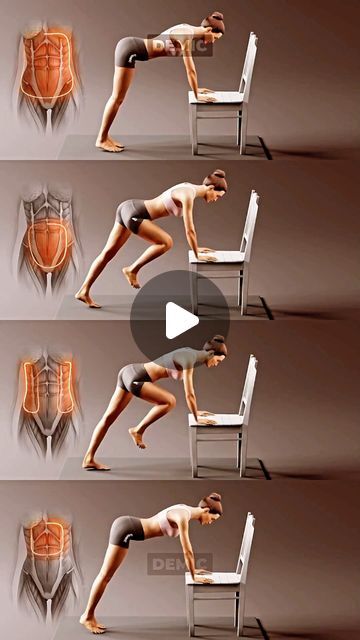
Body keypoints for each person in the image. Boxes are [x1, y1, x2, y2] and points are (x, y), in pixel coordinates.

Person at [75, 169, 227, 307]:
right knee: (166, 242)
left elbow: (190, 232)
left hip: (128, 207)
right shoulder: (188, 195)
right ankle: (132, 269)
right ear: (212, 188)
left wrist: (196, 248)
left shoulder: (189, 187)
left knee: (107, 254)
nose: (216, 199)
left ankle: (83, 291)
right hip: (135, 214)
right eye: (218, 196)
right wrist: (197, 254)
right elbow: (190, 230)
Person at [79, 493, 223, 634]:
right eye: (212, 518)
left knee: (106, 576)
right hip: (126, 529)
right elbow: (187, 551)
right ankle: (87, 616)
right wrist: (193, 576)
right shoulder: (183, 516)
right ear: (206, 510)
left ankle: (88, 615)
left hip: (127, 526)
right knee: (105, 576)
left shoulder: (185, 510)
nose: (211, 522)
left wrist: (194, 569)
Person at [82, 336, 227, 470]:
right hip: (137, 378)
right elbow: (189, 394)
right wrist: (197, 418)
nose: (216, 364)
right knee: (170, 401)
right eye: (218, 361)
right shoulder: (190, 359)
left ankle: (88, 458)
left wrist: (196, 411)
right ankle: (138, 430)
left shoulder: (190, 353)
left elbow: (189, 394)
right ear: (211, 354)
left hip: (128, 371)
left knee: (107, 419)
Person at [96, 12, 225, 152]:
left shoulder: (189, 29)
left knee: (118, 98)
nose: (213, 42)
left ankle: (105, 136)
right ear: (209, 30)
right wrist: (197, 95)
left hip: (130, 47)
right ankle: (101, 140)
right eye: (215, 38)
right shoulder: (186, 35)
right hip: (130, 50)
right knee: (117, 98)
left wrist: (196, 88)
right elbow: (190, 70)